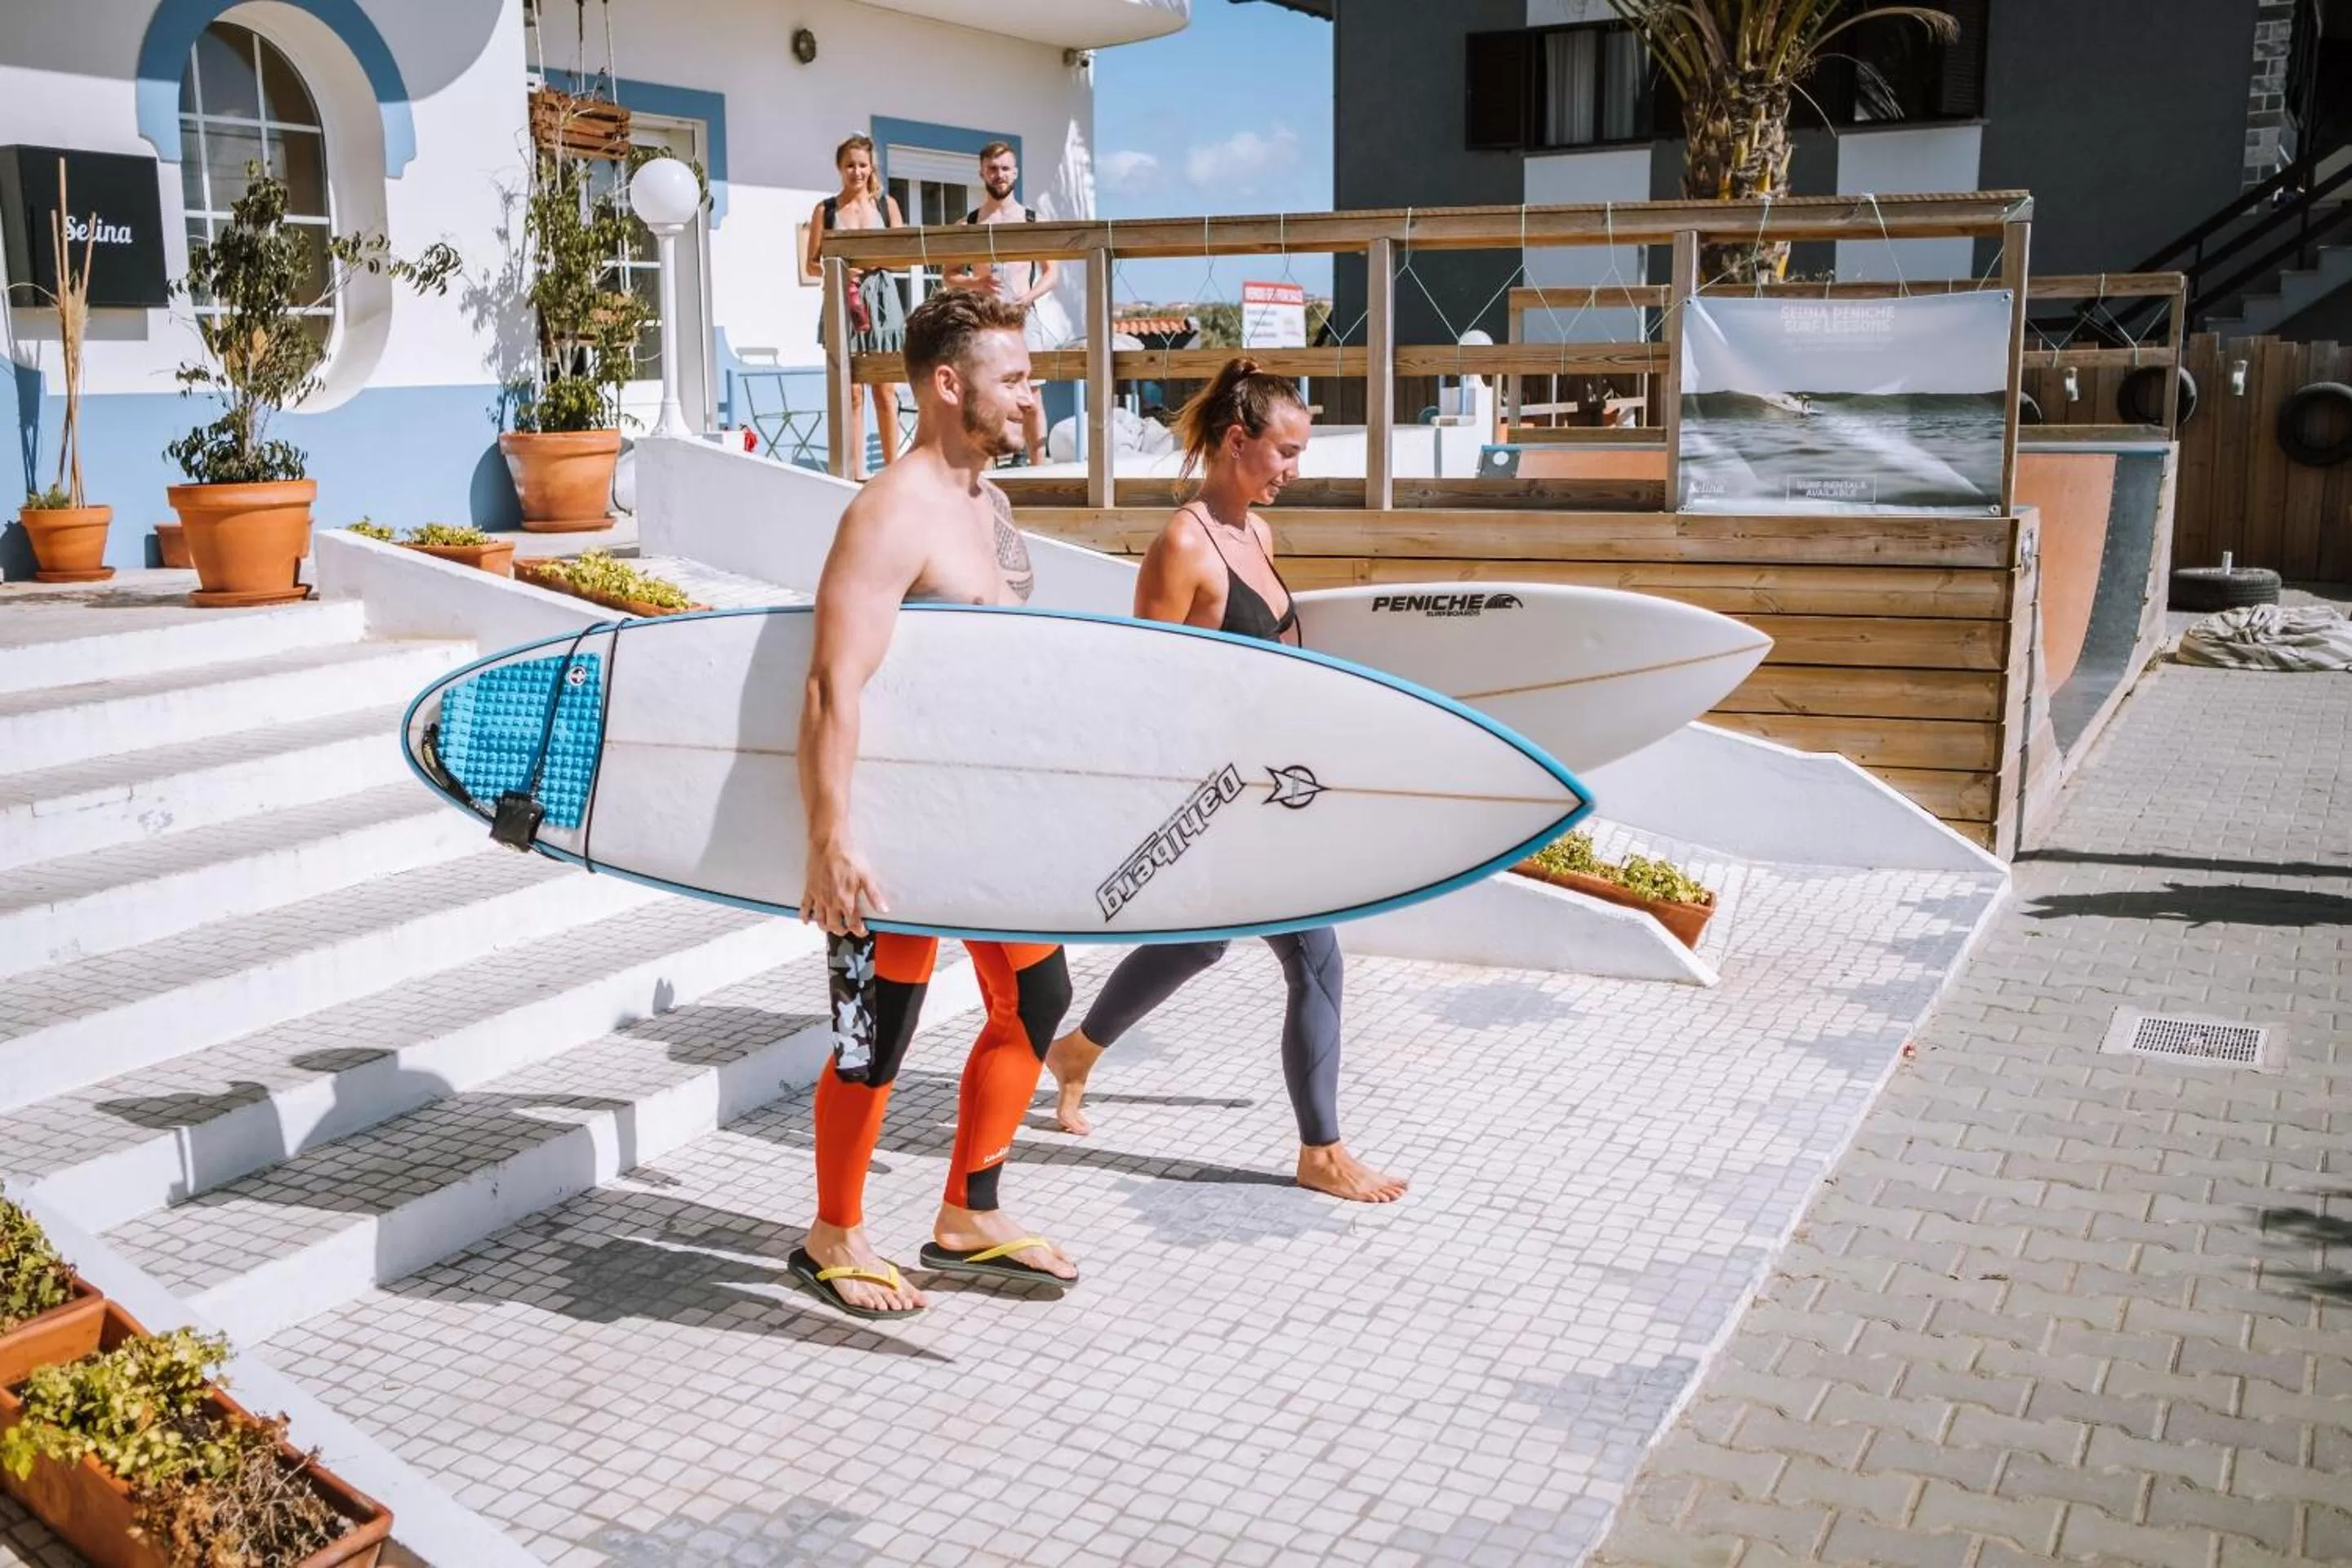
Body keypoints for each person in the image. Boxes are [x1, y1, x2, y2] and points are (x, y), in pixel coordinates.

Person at [1045, 359, 1409, 1205]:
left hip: (1273, 786)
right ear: (1237, 441)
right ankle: (1320, 1149)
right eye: (1284, 451)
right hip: (1214, 794)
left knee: (1209, 941)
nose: (1294, 469)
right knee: (1315, 956)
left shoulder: (1258, 535)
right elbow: (1147, 681)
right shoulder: (1184, 543)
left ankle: (1076, 1053)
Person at [791, 287, 1079, 1320]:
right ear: (950, 386)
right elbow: (833, 684)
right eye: (1015, 377)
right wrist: (831, 839)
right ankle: (834, 1233)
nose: (1032, 392)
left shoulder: (987, 504)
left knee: (1039, 1002)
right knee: (878, 1036)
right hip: (899, 832)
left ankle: (967, 1211)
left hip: (989, 825)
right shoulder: (889, 512)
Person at [949, 141, 1058, 466]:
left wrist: (1028, 297)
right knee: (983, 393)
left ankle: (1040, 470)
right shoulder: (967, 224)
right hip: (984, 321)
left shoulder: (1032, 221)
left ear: (1016, 172)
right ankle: (985, 468)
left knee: (1033, 394)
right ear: (982, 172)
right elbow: (950, 275)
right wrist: (975, 283)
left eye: (1005, 168)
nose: (999, 175)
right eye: (993, 169)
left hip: (1024, 317)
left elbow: (1052, 273)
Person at [805, 134, 906, 480]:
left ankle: (892, 472)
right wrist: (841, 269)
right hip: (842, 299)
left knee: (885, 388)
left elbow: (903, 259)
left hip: (883, 299)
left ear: (871, 167)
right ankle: (854, 472)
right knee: (851, 393)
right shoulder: (826, 210)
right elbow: (811, 265)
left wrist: (876, 261)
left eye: (862, 165)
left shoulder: (886, 205)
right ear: (839, 168)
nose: (856, 171)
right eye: (850, 165)